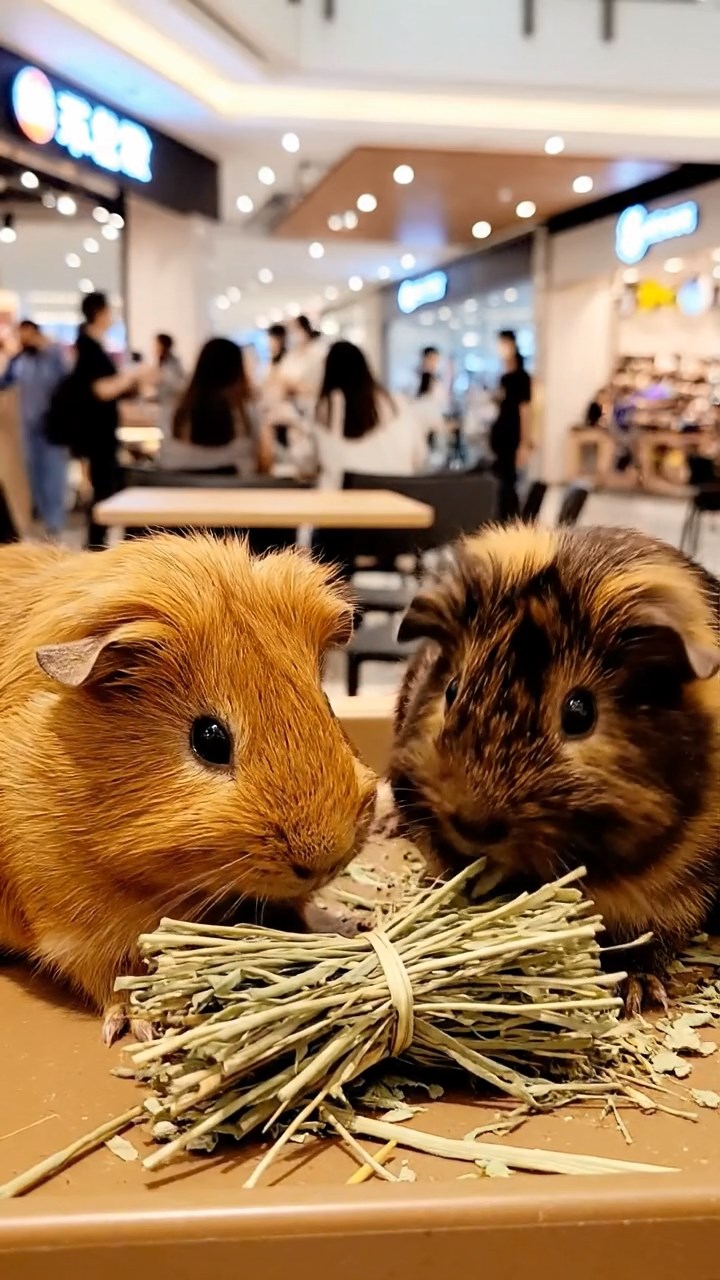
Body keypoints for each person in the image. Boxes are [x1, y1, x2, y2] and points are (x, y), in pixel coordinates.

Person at [74, 291, 151, 550]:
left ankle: (97, 546)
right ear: (99, 313)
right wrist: (130, 377)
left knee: (104, 488)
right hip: (97, 433)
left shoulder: (92, 346)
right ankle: (95, 548)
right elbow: (100, 389)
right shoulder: (88, 347)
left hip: (101, 431)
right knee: (103, 489)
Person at [311, 340, 425, 488]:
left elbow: (310, 463)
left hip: (343, 505)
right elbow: (419, 457)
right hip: (398, 500)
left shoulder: (328, 409)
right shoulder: (396, 404)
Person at [158, 337, 272, 475]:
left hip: (174, 493)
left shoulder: (171, 413)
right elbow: (265, 462)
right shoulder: (248, 413)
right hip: (235, 493)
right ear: (239, 371)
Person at [1, 320, 67, 538]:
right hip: (29, 430)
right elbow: (5, 382)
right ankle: (41, 519)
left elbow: (67, 382)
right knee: (35, 477)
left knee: (53, 477)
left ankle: (55, 523)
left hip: (53, 429)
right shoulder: (21, 360)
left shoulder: (54, 356)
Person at [489, 330, 532, 521]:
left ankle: (511, 521)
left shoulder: (522, 377)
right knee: (501, 482)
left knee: (509, 483)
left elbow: (525, 410)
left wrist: (525, 442)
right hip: (501, 436)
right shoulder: (505, 377)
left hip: (512, 437)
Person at [154, 332, 184, 410]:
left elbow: (175, 384)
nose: (154, 348)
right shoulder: (160, 361)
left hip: (171, 402)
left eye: (156, 345)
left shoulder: (174, 363)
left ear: (163, 346)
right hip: (163, 401)